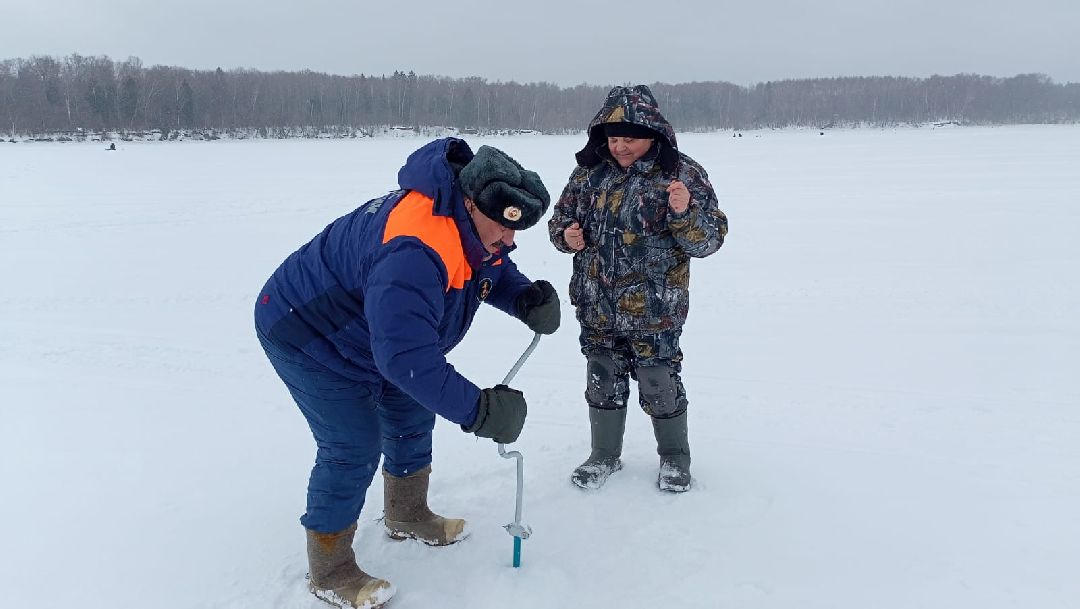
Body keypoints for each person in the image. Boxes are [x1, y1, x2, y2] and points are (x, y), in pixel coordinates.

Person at [255, 138, 560, 609]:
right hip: (307, 332)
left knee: (413, 413)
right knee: (353, 443)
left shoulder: (469, 224)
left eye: (513, 230)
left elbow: (486, 267)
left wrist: (523, 297)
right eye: (501, 226)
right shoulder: (414, 248)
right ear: (471, 203)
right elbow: (404, 358)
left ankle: (407, 513)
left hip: (372, 336)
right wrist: (479, 411)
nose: (509, 240)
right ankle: (330, 570)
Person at [548, 85, 728, 493]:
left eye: (629, 138)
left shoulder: (682, 175)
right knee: (602, 376)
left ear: (653, 134)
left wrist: (684, 213)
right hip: (596, 304)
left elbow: (708, 242)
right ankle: (604, 455)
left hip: (654, 308)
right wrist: (566, 235)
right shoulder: (588, 175)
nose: (620, 146)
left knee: (658, 380)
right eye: (613, 138)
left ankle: (674, 458)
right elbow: (559, 221)